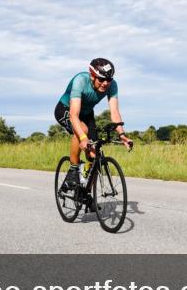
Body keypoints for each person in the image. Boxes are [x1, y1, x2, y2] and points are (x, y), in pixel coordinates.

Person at [54, 58, 132, 195]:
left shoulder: (112, 86)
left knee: (94, 155)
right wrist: (83, 138)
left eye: (108, 80)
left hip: (87, 114)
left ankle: (85, 193)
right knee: (82, 131)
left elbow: (114, 112)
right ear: (92, 75)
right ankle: (73, 170)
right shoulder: (80, 81)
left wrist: (122, 135)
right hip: (66, 109)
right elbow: (74, 115)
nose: (105, 83)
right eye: (101, 79)